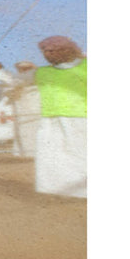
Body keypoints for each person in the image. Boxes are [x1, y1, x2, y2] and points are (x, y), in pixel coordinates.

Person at [30, 35, 86, 197]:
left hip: (83, 120)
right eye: (44, 51)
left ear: (67, 50)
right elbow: (12, 80)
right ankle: (65, 193)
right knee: (52, 159)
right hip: (51, 122)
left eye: (52, 50)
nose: (47, 54)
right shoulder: (41, 72)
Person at [0, 48, 40, 158]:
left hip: (37, 113)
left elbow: (5, 76)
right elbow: (3, 76)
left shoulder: (35, 77)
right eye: (20, 69)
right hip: (23, 115)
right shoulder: (17, 80)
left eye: (25, 68)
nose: (23, 70)